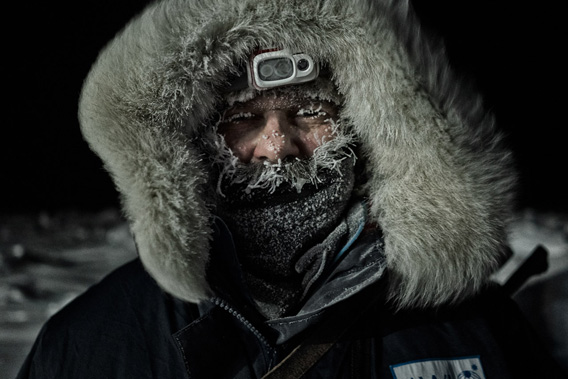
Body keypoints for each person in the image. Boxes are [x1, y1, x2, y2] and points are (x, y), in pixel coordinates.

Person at [17, 0, 566, 377]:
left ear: (365, 125)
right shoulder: (89, 345)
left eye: (309, 113)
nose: (277, 145)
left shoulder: (474, 327)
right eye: (243, 120)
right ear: (195, 142)